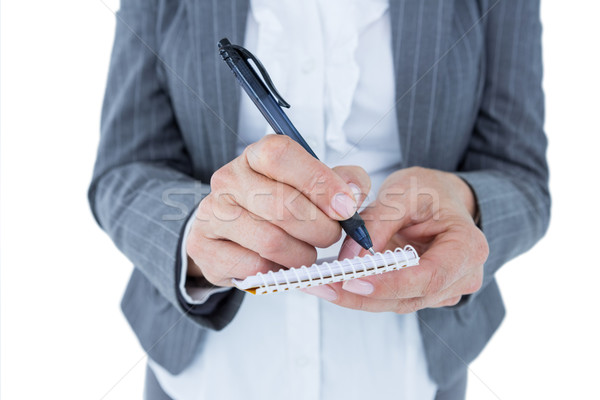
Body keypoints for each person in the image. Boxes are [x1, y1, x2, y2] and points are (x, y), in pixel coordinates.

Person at [89, 0, 550, 399]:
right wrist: (195, 234)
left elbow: (520, 176)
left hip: (409, 372)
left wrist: (462, 203)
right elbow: (123, 169)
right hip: (206, 375)